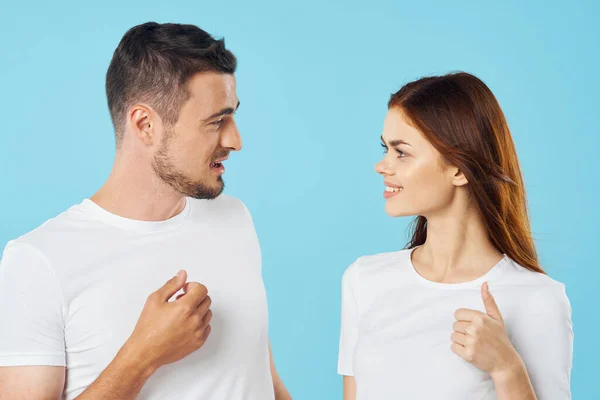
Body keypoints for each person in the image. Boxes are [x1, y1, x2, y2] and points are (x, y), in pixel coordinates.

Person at [0, 22, 291, 400]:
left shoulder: (234, 218)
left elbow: (258, 373)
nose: (235, 140)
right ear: (145, 124)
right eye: (217, 121)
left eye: (233, 116)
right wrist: (141, 357)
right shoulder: (37, 262)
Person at [338, 72, 573, 399]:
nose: (382, 165)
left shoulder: (536, 299)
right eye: (385, 149)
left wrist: (507, 368)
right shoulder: (364, 279)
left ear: (460, 170)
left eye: (401, 152)